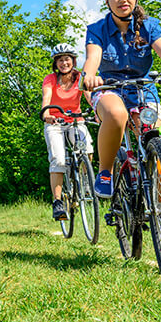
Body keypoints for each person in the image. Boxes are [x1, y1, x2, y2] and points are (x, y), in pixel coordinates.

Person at [82, 0, 161, 247]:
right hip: (106, 88)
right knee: (117, 114)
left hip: (143, 88)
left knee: (159, 157)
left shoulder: (149, 26)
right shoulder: (97, 30)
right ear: (107, 0)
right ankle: (106, 171)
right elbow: (92, 59)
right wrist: (90, 76)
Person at [41, 43, 94, 221]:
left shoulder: (80, 77)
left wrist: (97, 110)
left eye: (67, 59)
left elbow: (89, 96)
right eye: (60, 60)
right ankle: (57, 202)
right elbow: (46, 97)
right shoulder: (50, 79)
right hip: (55, 122)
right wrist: (46, 113)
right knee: (58, 159)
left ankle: (83, 183)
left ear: (73, 61)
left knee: (86, 147)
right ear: (55, 63)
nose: (64, 63)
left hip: (76, 120)